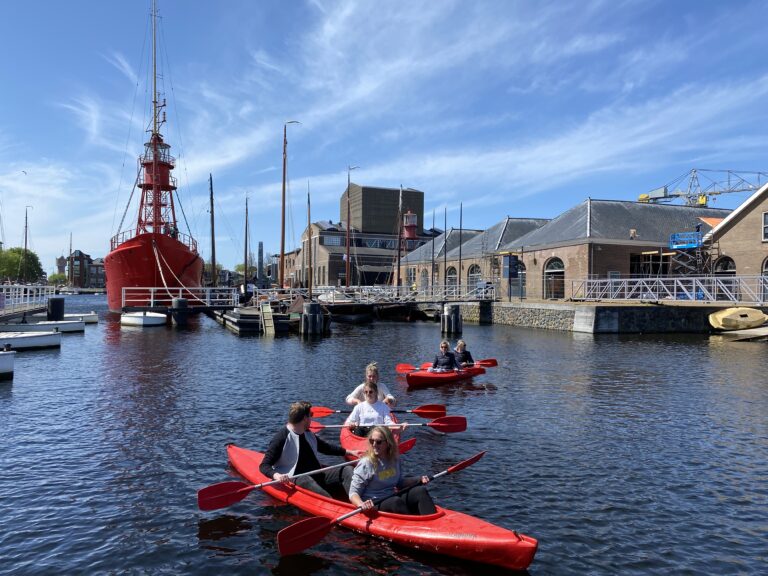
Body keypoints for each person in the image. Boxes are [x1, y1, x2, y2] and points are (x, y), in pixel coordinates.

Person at [259, 401, 360, 498]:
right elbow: (264, 466)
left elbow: (326, 448)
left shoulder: (307, 433)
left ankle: (359, 499)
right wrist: (277, 476)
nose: (312, 418)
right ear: (304, 418)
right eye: (310, 415)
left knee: (347, 470)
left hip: (317, 473)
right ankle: (332, 503)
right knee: (306, 481)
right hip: (296, 478)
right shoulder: (281, 438)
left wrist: (349, 452)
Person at [349, 426, 436, 515]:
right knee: (395, 502)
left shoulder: (395, 460)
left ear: (388, 443)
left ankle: (432, 521)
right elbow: (353, 493)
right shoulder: (366, 463)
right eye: (372, 441)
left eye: (378, 442)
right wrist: (361, 504)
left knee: (420, 491)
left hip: (392, 496)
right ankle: (412, 524)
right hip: (375, 503)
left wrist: (418, 479)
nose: (374, 444)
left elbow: (399, 483)